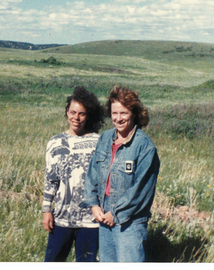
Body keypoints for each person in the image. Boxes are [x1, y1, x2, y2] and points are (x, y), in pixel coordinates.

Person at [80, 85, 160, 262]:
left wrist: (115, 213)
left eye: (123, 113)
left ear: (134, 113)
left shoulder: (145, 147)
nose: (118, 118)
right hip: (104, 212)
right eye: (114, 113)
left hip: (130, 219)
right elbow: (92, 174)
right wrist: (94, 205)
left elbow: (141, 192)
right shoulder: (105, 138)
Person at [42, 86, 105, 262]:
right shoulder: (55, 142)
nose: (76, 118)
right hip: (61, 218)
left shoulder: (98, 141)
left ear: (89, 115)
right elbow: (51, 179)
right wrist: (46, 210)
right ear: (66, 112)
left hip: (90, 221)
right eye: (72, 112)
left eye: (82, 114)